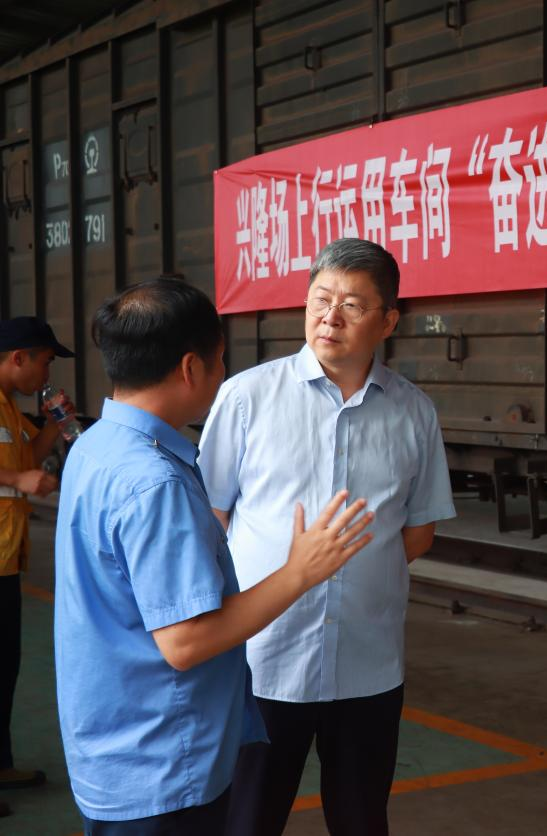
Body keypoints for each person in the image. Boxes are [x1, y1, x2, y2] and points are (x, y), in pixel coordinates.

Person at [55, 278, 375, 835]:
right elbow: (185, 642)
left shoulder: (96, 446)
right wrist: (301, 572)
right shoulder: (155, 483)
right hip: (161, 764)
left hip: (113, 748)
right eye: (220, 359)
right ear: (190, 367)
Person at [199, 238, 456, 836]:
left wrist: (358, 575)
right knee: (247, 820)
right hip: (266, 661)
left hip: (368, 665)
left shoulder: (413, 411)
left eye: (352, 305)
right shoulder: (248, 397)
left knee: (362, 820)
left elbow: (418, 532)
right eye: (320, 299)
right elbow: (210, 518)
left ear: (387, 321)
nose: (330, 317)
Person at [0, 317, 73, 815]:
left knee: (5, 666)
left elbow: (29, 455)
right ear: (18, 357)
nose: (46, 374)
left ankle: (0, 763)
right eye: (44, 362)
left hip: (7, 559)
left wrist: (53, 424)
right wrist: (17, 480)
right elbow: (18, 473)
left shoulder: (10, 406)